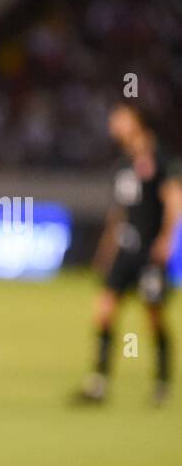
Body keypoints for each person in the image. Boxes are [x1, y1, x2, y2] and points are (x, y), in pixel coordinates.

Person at [74, 103, 181, 406]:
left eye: (119, 118)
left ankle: (161, 384)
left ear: (136, 122)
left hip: (150, 254)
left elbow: (174, 199)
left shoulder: (161, 158)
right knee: (105, 311)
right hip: (125, 252)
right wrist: (106, 250)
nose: (113, 124)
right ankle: (99, 383)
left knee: (154, 317)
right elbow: (119, 213)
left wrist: (166, 240)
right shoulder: (122, 164)